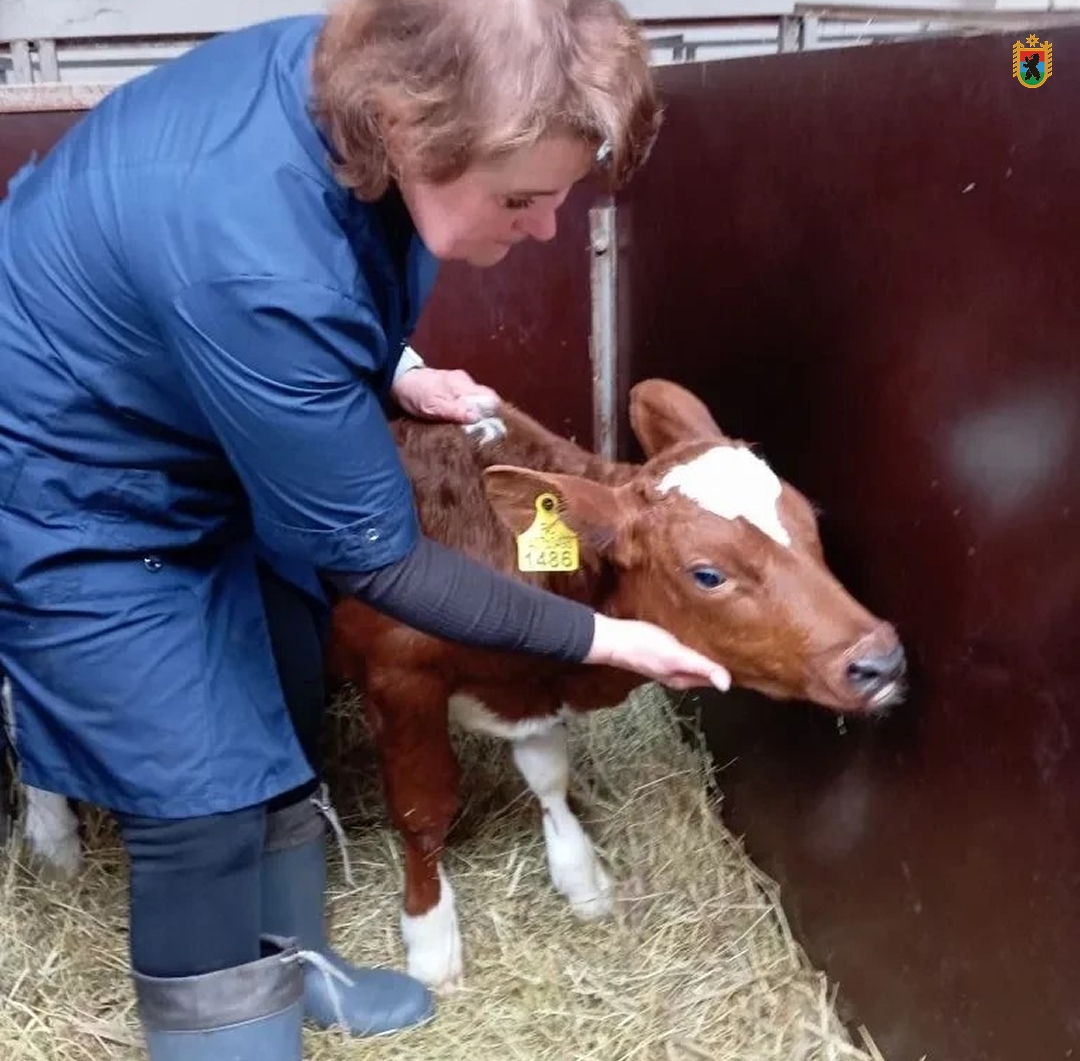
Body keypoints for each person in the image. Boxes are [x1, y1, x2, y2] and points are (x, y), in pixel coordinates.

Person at [0, 2, 731, 1059]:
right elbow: (382, 562)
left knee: (285, 681)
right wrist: (606, 637)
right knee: (196, 796)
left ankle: (298, 970)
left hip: (196, 424)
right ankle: (226, 1044)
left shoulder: (374, 73)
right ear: (411, 132)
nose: (546, 228)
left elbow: (303, 283)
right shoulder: (257, 258)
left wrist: (391, 368)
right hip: (66, 474)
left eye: (562, 195)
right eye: (521, 198)